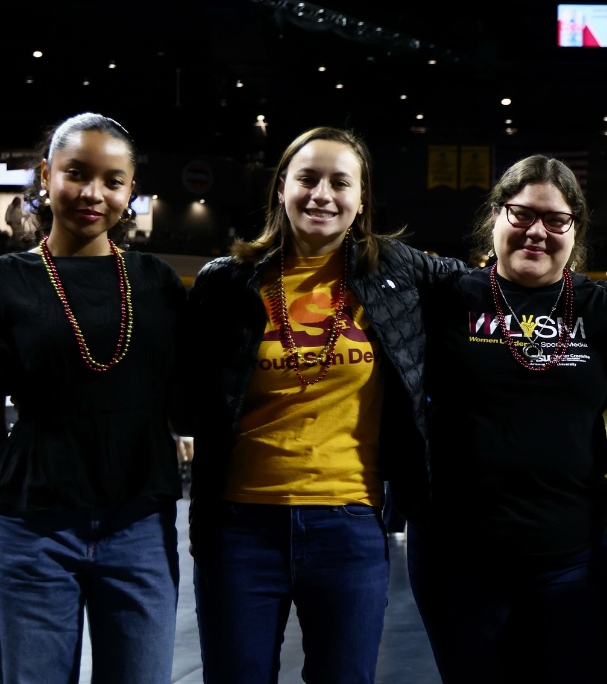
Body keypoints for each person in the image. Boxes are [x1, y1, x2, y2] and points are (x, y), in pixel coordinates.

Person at [184, 127, 462, 684]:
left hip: (350, 527)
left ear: (361, 201)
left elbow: (490, 286)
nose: (322, 195)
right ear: (281, 187)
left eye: (341, 183)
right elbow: (185, 391)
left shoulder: (398, 272)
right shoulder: (226, 282)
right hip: (239, 529)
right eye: (307, 179)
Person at [0, 112, 188, 681]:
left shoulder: (158, 285)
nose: (92, 193)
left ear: (130, 191)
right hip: (30, 535)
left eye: (113, 180)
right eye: (76, 173)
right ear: (46, 175)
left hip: (140, 531)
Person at [406, 155, 607, 684]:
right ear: (495, 218)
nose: (537, 231)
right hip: (457, 559)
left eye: (556, 220)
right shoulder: (447, 299)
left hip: (569, 560)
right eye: (521, 214)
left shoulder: (603, 310)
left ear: (575, 230)